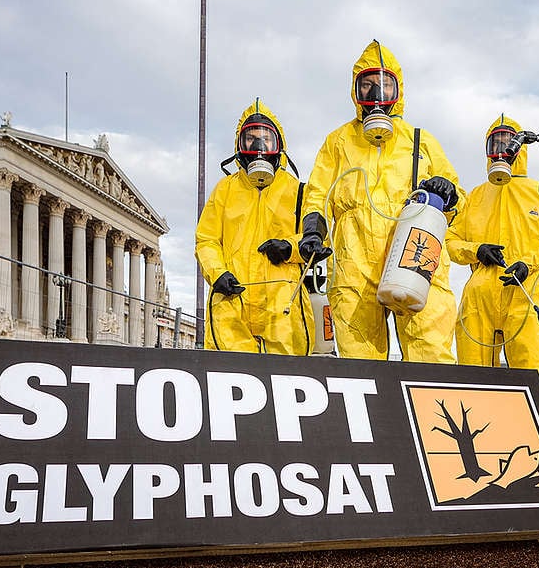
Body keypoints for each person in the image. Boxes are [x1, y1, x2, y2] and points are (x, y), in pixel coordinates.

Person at [300, 40, 464, 362]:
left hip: (415, 254)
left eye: (384, 86)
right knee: (360, 362)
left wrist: (448, 192)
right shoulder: (338, 141)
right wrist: (312, 232)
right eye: (368, 87)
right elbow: (317, 194)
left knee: (429, 350)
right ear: (356, 92)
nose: (376, 96)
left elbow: (458, 201)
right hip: (353, 261)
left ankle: (430, 412)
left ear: (398, 91)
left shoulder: (421, 141)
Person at [447, 115, 539, 407]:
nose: (502, 149)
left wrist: (528, 262)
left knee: (534, 372)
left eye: (508, 142)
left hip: (527, 292)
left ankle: (536, 437)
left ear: (521, 147)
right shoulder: (475, 197)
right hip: (480, 296)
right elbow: (451, 242)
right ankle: (473, 436)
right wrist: (477, 250)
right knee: (471, 378)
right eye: (496, 142)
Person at [195, 98, 313, 354]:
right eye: (251, 139)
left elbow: (315, 238)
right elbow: (207, 240)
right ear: (240, 144)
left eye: (266, 139)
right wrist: (217, 274)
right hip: (231, 297)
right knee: (229, 375)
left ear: (278, 145)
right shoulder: (225, 190)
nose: (259, 146)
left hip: (283, 303)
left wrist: (289, 248)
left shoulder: (299, 191)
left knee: (288, 378)